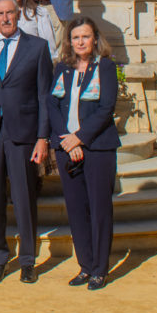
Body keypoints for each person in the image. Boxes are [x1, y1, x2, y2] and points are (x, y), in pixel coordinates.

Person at [0, 0, 53, 285]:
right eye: (0, 14)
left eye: (10, 13)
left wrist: (43, 137)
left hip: (24, 134)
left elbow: (45, 97)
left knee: (24, 198)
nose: (5, 18)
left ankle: (28, 260)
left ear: (18, 14)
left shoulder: (38, 48)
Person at [46, 15, 120, 291]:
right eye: (75, 37)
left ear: (95, 39)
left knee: (99, 209)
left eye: (85, 36)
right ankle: (85, 266)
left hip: (98, 148)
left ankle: (100, 269)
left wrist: (80, 139)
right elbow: (52, 104)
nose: (80, 41)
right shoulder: (62, 68)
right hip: (68, 148)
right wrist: (68, 141)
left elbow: (106, 108)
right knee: (77, 210)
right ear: (69, 41)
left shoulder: (107, 67)